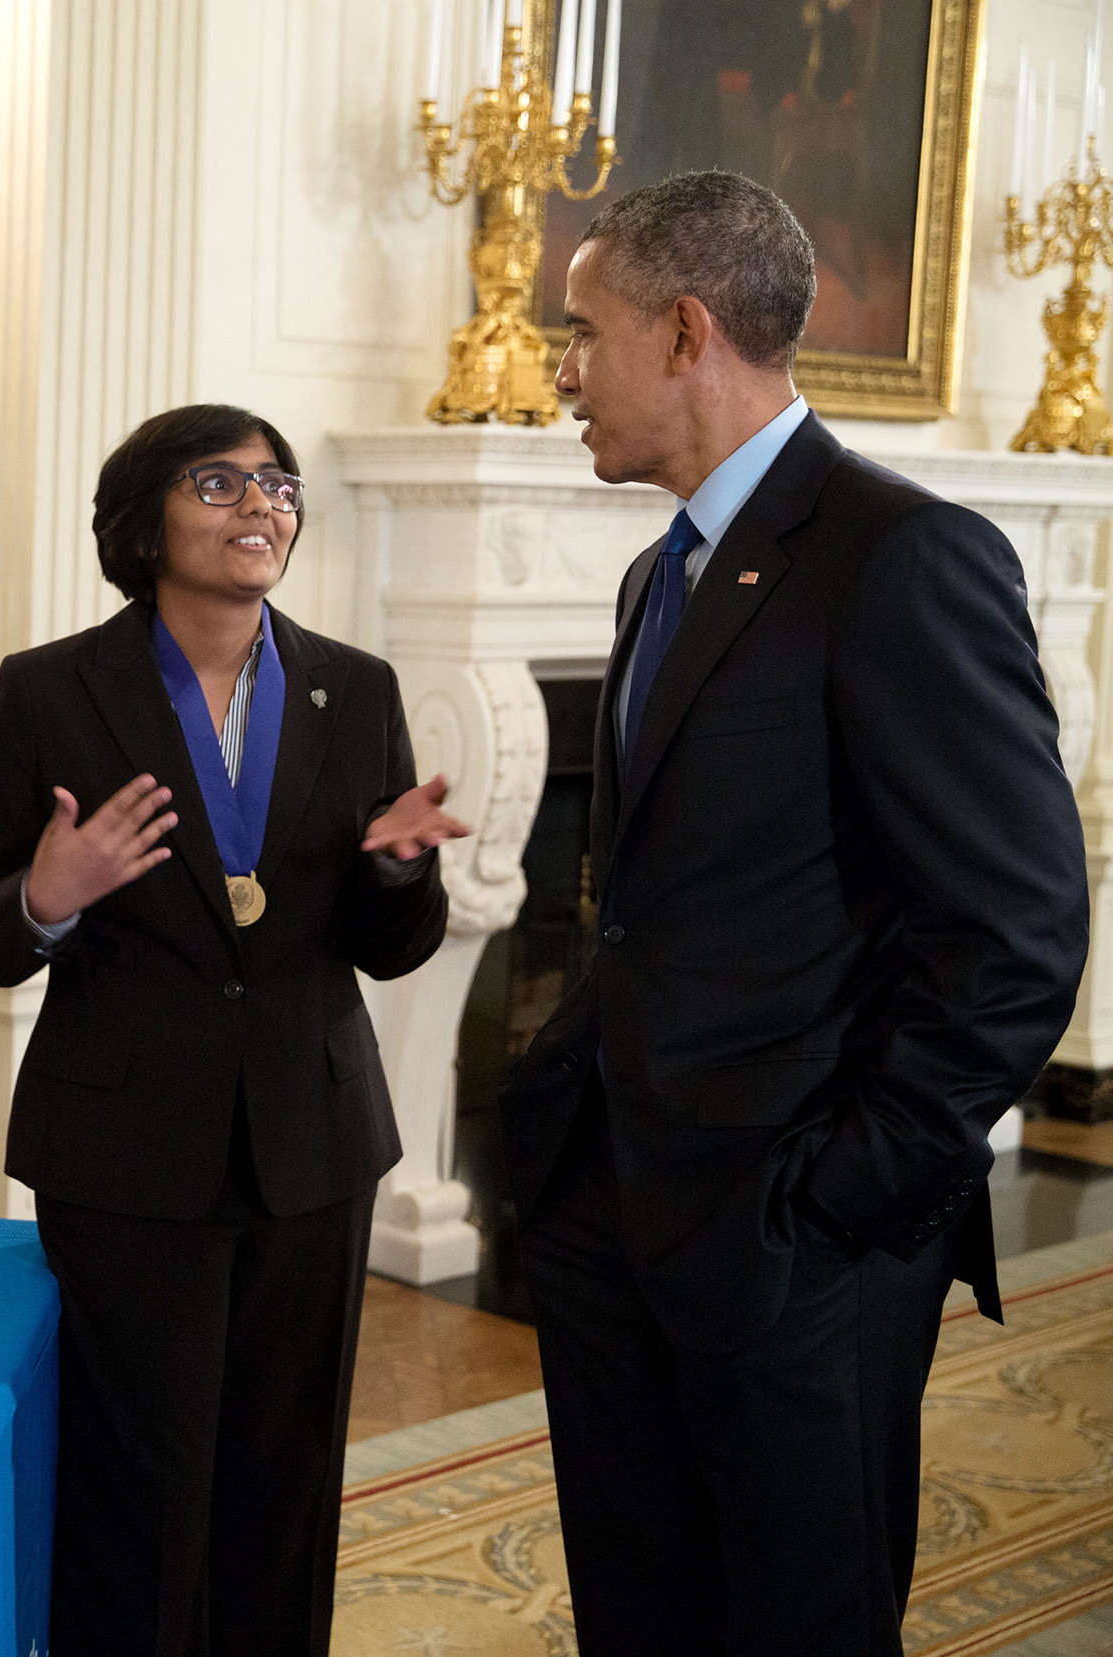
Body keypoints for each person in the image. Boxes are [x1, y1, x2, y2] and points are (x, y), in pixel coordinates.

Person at [499, 170, 1091, 1655]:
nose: (559, 370)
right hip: (615, 1205)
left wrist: (846, 1199)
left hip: (794, 1242)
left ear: (684, 332)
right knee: (641, 1613)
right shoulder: (653, 576)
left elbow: (1016, 932)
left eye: (582, 331)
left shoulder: (902, 555)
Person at [0, 403, 468, 1656]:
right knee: (135, 1492)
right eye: (218, 483)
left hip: (313, 1144)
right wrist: (46, 896)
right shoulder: (49, 690)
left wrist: (397, 873)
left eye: (276, 486)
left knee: (284, 1486)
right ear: (144, 521)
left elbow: (390, 947)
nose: (260, 505)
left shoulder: (356, 688)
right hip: (123, 1152)